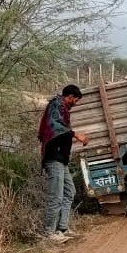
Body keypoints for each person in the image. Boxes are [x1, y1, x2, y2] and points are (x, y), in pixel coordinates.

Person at [37, 84, 89, 243]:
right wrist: (75, 134)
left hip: (61, 160)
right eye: (76, 100)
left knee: (69, 192)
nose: (76, 103)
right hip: (54, 159)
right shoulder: (57, 106)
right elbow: (56, 127)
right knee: (56, 196)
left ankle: (62, 228)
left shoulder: (61, 108)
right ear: (70, 97)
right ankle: (49, 233)